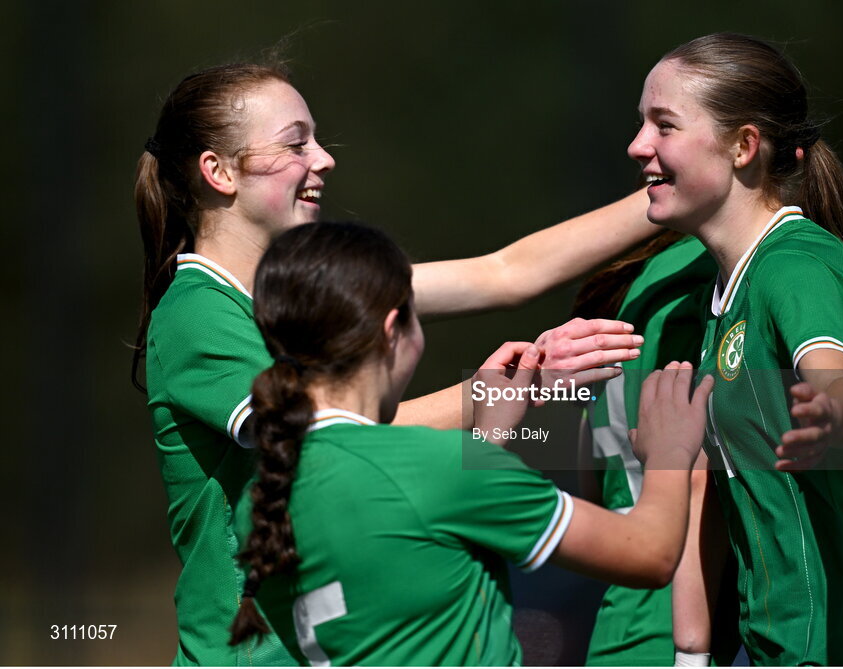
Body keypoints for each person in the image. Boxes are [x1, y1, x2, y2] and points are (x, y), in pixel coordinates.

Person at [134, 62, 658, 665]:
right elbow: (325, 432)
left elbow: (508, 272)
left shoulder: (308, 286)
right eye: (295, 143)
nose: (324, 159)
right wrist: (502, 395)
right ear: (218, 171)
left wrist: (673, 189)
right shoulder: (197, 310)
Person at [228, 220, 714, 666]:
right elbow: (648, 555)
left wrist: (489, 439)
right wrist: (670, 452)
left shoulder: (266, 496)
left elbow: (423, 563)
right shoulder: (430, 468)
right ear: (393, 329)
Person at [626, 33, 843, 665]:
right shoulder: (724, 294)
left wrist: (833, 413)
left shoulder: (794, 267)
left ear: (744, 146)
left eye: (663, 125)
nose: (638, 145)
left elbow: (841, 387)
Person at [573, 233, 740, 667]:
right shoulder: (725, 265)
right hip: (686, 614)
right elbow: (705, 471)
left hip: (620, 621)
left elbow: (590, 481)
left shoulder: (625, 289)